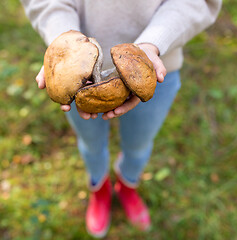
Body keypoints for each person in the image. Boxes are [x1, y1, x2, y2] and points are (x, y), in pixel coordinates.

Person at [20, 0, 222, 237]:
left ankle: (127, 185)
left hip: (152, 67)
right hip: (72, 77)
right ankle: (99, 187)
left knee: (138, 145)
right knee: (90, 145)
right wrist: (63, 40)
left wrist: (152, 44)